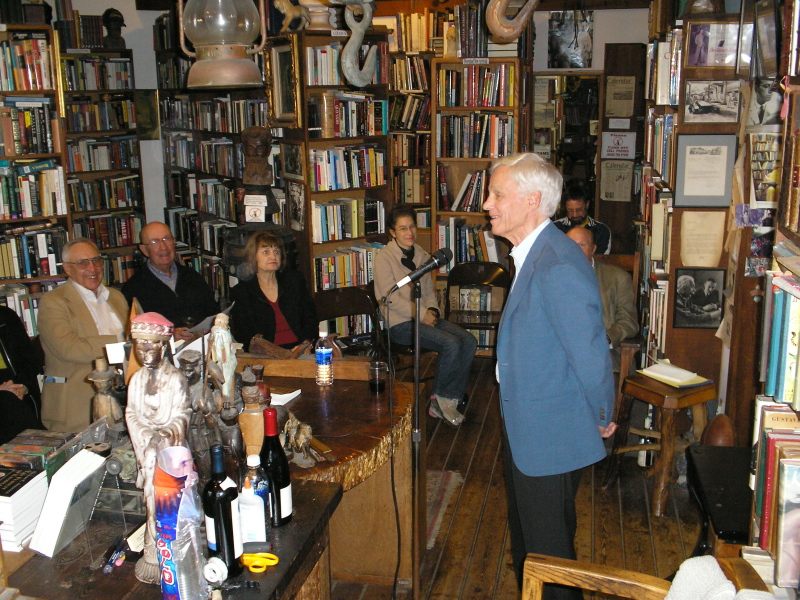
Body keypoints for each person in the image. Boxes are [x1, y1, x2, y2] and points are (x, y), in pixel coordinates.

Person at [483, 153, 615, 599]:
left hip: (550, 431)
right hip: (530, 425)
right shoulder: (534, 254)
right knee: (531, 549)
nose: (487, 203)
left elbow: (591, 352)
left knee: (549, 555)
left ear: (533, 200)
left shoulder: (556, 263)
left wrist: (602, 414)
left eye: (498, 194)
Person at [373, 206, 477, 427]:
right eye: (402, 228)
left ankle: (451, 398)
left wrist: (433, 311)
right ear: (392, 232)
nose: (409, 232)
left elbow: (428, 290)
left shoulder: (422, 255)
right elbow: (387, 298)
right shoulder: (384, 257)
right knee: (450, 344)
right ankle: (438, 402)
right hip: (400, 324)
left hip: (423, 317)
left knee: (468, 340)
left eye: (412, 226)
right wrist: (421, 314)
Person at [125, 312, 191, 584]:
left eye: (151, 344)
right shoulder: (137, 380)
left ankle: (174, 553)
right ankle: (153, 554)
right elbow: (131, 414)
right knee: (150, 505)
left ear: (163, 346)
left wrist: (164, 434)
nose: (144, 351)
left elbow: (182, 415)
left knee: (171, 507)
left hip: (170, 454)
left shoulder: (175, 379)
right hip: (148, 454)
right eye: (139, 345)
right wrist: (146, 437)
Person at [38, 238, 128, 432]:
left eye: (96, 261)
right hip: (76, 405)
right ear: (68, 269)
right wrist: (122, 342)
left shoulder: (117, 297)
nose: (92, 268)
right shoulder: (53, 301)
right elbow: (70, 349)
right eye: (82, 263)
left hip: (122, 400)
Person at [122, 221, 219, 343]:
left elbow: (214, 311)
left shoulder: (192, 275)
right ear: (144, 250)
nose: (163, 247)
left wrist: (211, 328)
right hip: (165, 355)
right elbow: (136, 334)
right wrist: (169, 336)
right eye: (154, 242)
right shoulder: (133, 288)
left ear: (174, 242)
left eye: (167, 239)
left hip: (204, 345)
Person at [229, 230, 317, 352]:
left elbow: (310, 319)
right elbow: (245, 335)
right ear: (253, 257)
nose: (273, 256)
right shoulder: (242, 292)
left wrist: (306, 344)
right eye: (266, 252)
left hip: (299, 349)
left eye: (276, 251)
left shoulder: (294, 281)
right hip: (266, 355)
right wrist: (274, 352)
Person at [566, 227, 638, 372]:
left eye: (581, 245)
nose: (574, 250)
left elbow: (629, 322)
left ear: (593, 249)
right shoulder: (552, 278)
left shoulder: (618, 278)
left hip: (601, 353)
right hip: (563, 352)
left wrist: (606, 338)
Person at [0, 305, 45, 443]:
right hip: (6, 394)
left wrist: (23, 386)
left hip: (14, 385)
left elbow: (29, 360)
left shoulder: (5, 316)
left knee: (12, 404)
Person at [552, 179, 611, 254]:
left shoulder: (601, 230)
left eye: (579, 210)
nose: (575, 214)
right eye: (570, 210)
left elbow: (601, 259)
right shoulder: (555, 228)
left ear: (587, 205)